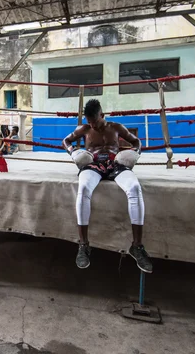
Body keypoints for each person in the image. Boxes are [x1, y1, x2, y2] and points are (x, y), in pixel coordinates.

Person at [62, 99, 152, 273]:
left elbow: (136, 142)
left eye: (94, 121)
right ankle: (83, 245)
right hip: (93, 165)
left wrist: (136, 153)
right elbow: (66, 140)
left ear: (102, 115)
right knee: (83, 189)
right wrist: (73, 152)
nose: (92, 125)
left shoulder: (116, 128)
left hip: (115, 164)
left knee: (134, 188)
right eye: (89, 122)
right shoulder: (85, 129)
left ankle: (137, 246)